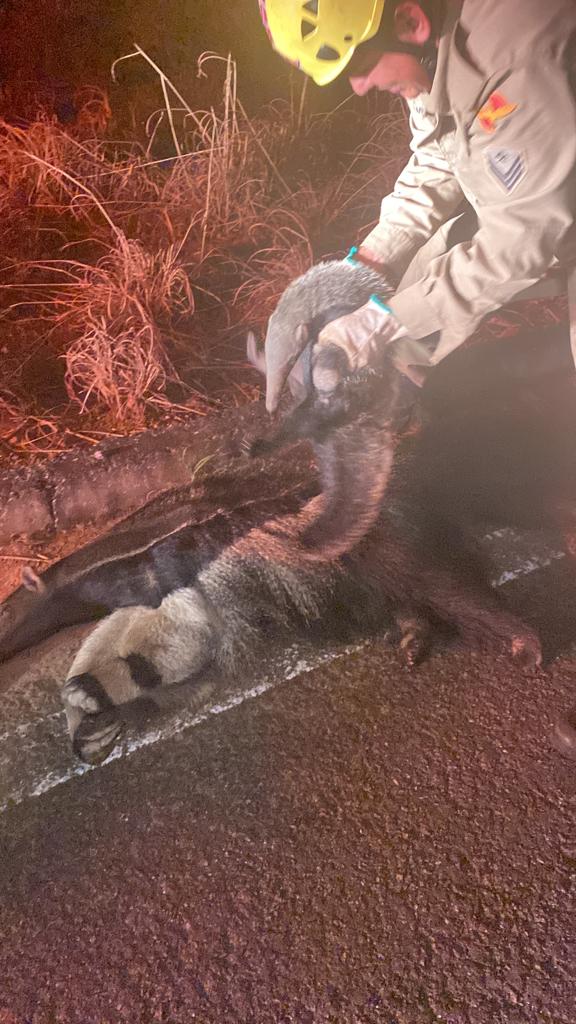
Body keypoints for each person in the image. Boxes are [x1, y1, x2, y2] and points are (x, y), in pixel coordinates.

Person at [258, 0, 576, 415]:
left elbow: (517, 247)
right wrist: (355, 275)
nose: (357, 87)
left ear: (411, 21)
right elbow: (435, 163)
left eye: (362, 66)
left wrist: (375, 326)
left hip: (543, 213)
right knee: (416, 276)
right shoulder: (431, 51)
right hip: (546, 195)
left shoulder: (513, 62)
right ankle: (402, 400)